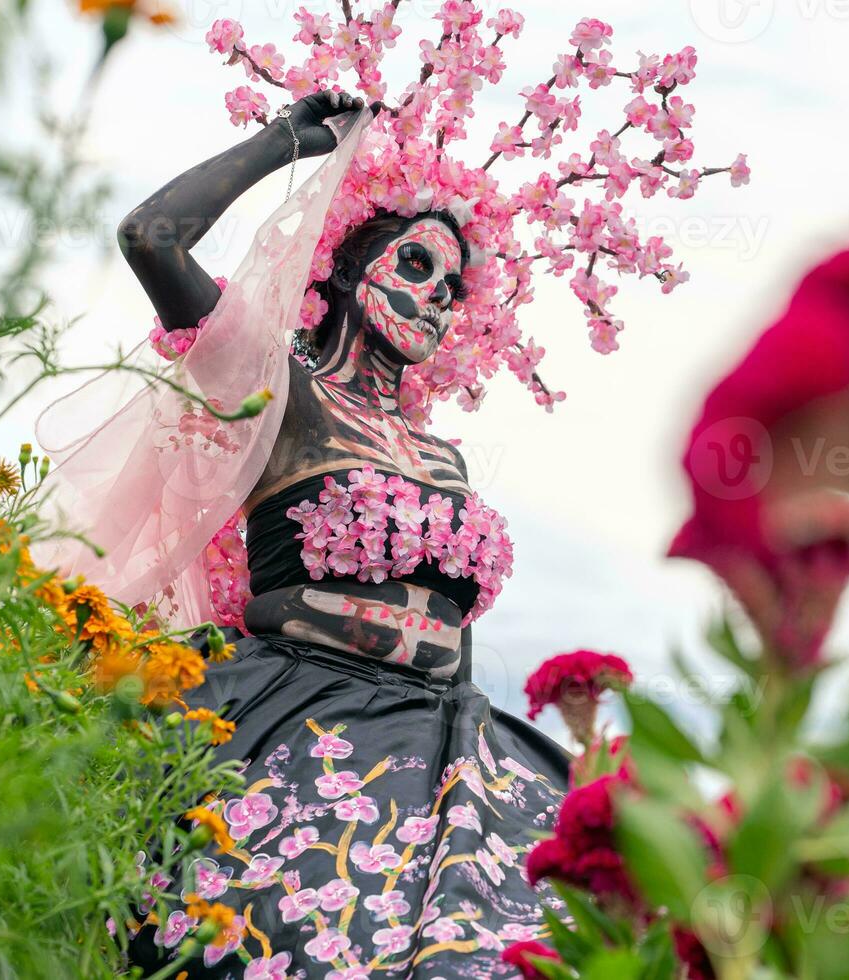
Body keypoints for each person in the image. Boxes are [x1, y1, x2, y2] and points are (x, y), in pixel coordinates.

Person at [105, 92, 570, 977]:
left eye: (453, 290)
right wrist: (288, 141)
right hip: (295, 714)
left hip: (441, 740)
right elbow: (150, 238)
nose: (436, 300)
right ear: (352, 271)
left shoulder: (443, 458)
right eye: (417, 266)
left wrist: (463, 742)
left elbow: (453, 629)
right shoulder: (283, 393)